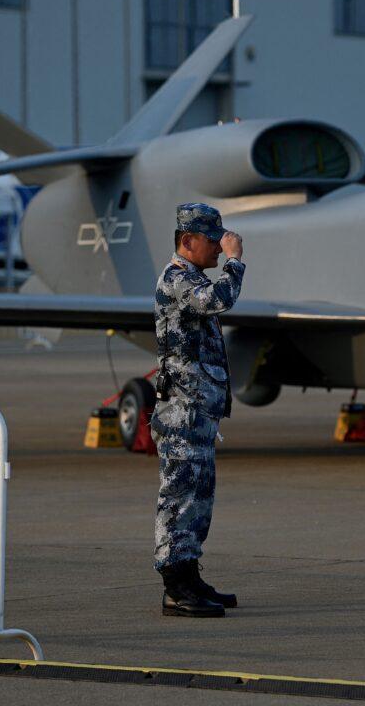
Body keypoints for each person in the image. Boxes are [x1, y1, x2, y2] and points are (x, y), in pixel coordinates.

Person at [151, 203, 245, 617]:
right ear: (186, 241)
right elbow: (218, 299)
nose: (220, 249)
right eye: (213, 240)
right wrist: (237, 263)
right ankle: (175, 585)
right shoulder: (176, 280)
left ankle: (189, 575)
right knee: (179, 495)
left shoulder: (190, 278)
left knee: (198, 497)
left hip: (198, 410)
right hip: (181, 411)